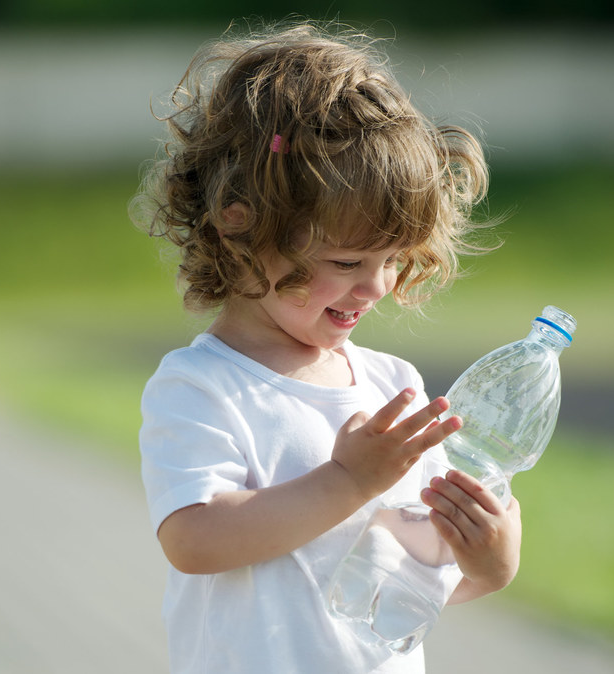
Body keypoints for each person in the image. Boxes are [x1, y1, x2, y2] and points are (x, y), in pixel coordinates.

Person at [132, 20, 523, 674]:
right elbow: (194, 540)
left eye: (394, 259)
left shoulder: (387, 384)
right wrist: (346, 480)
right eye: (346, 260)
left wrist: (489, 560)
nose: (376, 286)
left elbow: (406, 579)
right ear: (241, 222)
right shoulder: (201, 386)